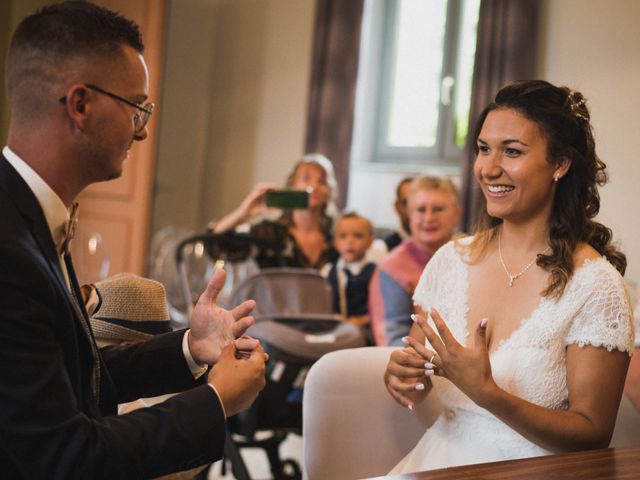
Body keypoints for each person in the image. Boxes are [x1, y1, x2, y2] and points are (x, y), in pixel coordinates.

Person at [0, 2, 266, 479]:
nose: (142, 131)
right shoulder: (8, 250)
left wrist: (191, 347)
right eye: (136, 108)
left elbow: (73, 380)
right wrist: (215, 400)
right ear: (80, 105)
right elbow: (64, 457)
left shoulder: (28, 211)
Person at [384, 80, 635, 474]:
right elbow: (418, 370)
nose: (489, 168)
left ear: (560, 164)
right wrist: (403, 378)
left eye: (512, 152)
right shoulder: (450, 260)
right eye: (483, 149)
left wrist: (489, 394)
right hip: (439, 461)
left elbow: (592, 433)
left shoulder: (595, 285)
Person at [369, 176, 461, 347]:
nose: (429, 217)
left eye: (438, 209)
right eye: (420, 209)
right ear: (409, 215)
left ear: (457, 214)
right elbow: (392, 344)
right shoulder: (391, 270)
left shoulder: (473, 256)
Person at [210, 153, 339, 270]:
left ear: (330, 190)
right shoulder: (270, 235)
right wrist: (244, 212)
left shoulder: (337, 239)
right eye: (306, 178)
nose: (314, 186)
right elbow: (215, 243)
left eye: (322, 181)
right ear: (292, 185)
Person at [323, 212, 376, 332]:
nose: (350, 241)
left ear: (370, 241)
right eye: (343, 236)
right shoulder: (328, 271)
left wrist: (362, 320)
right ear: (335, 241)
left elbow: (381, 309)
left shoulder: (375, 272)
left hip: (364, 331)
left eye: (358, 236)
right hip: (334, 330)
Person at [383, 176, 414, 251]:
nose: (415, 210)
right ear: (397, 206)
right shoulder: (384, 248)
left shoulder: (441, 248)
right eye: (407, 203)